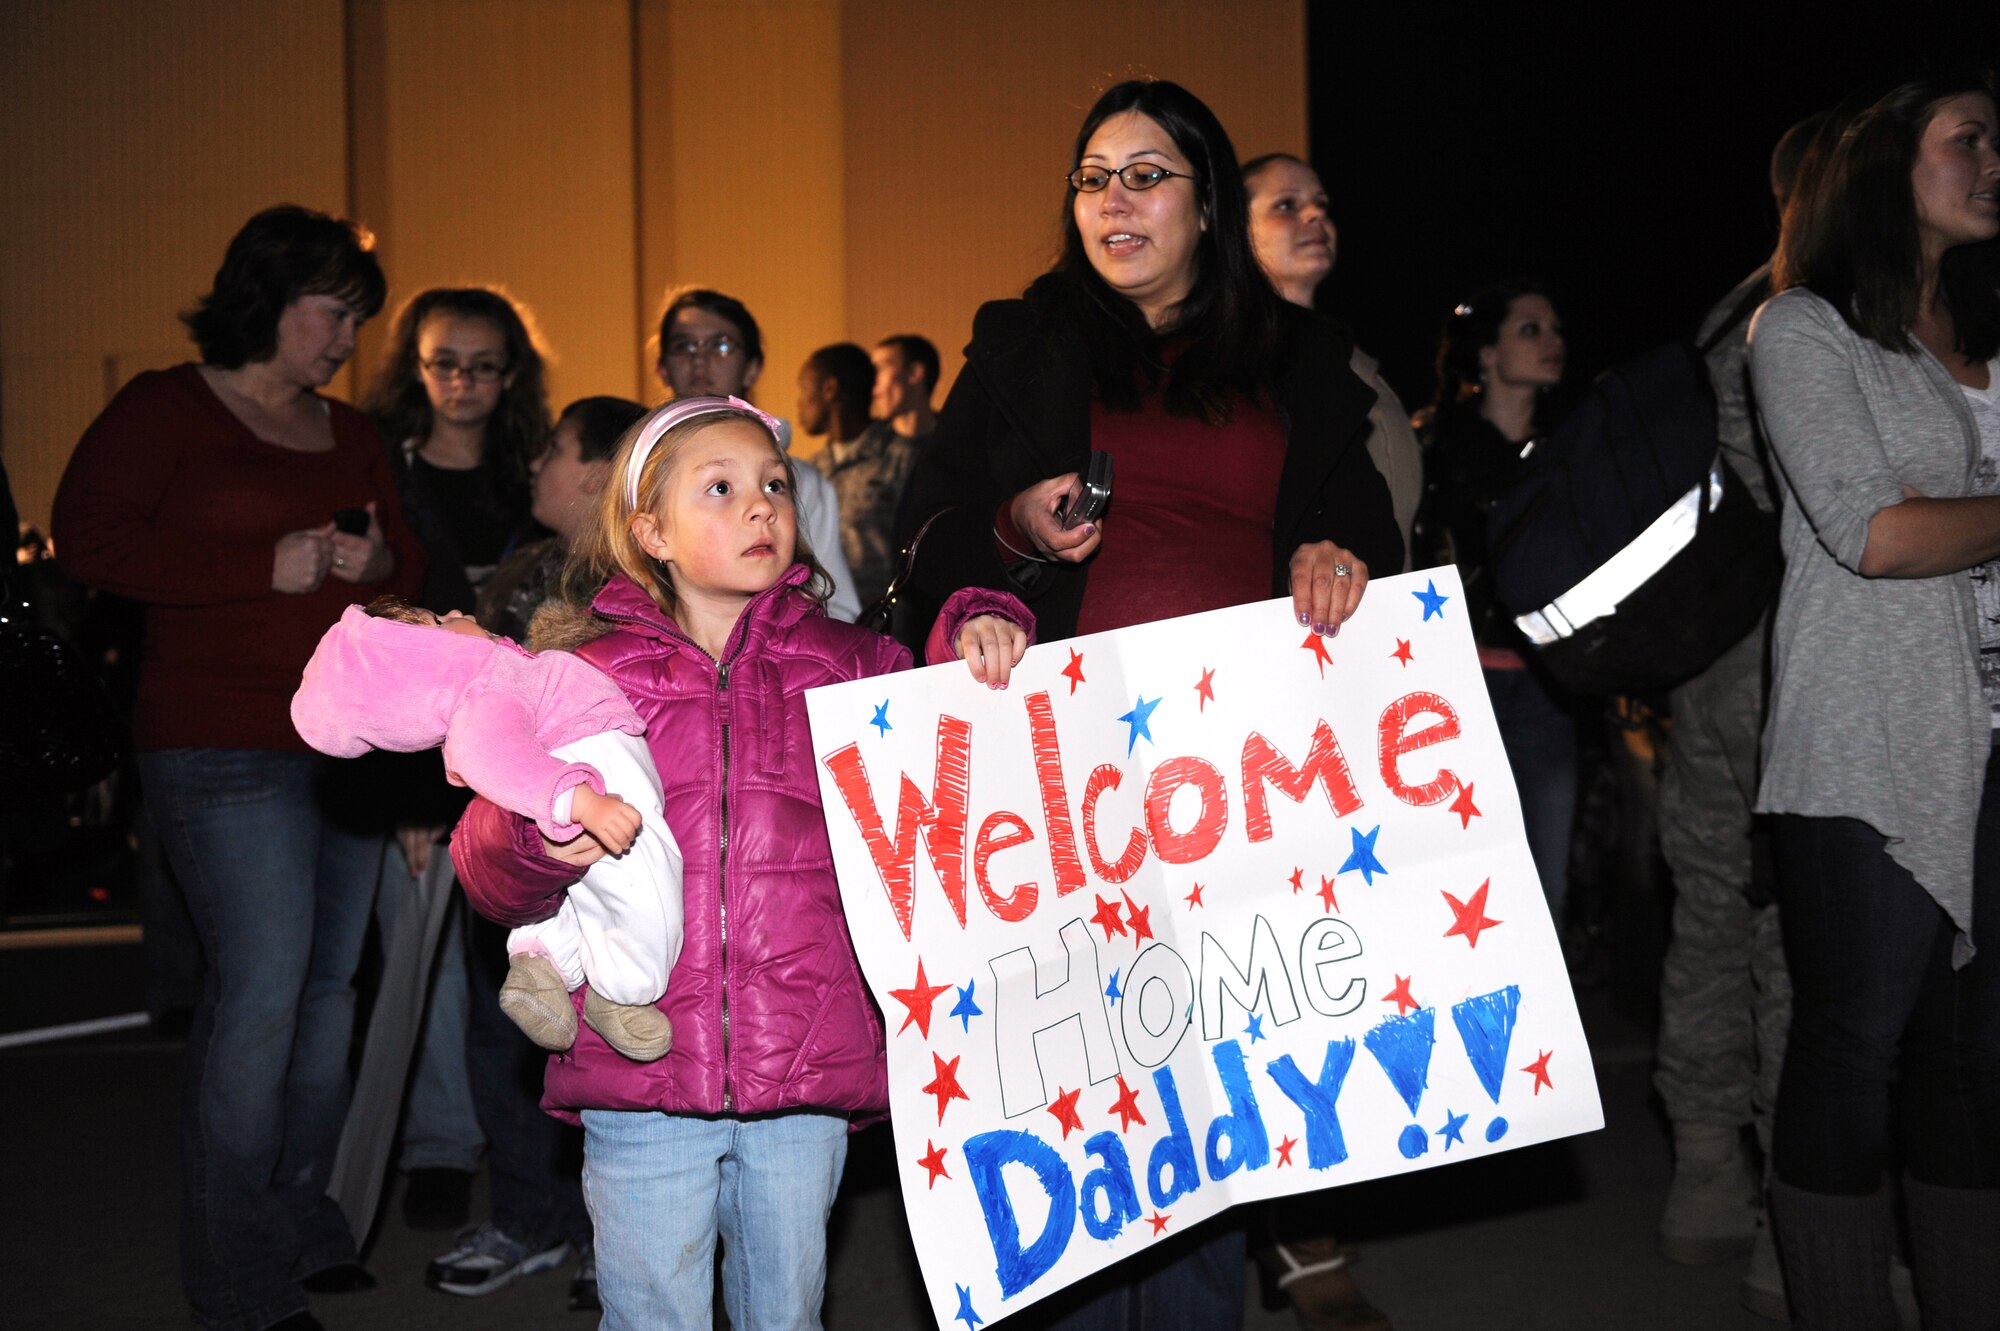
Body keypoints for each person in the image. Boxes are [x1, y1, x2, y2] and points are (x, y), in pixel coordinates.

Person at [901, 78, 1399, 1330]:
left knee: (1201, 1107)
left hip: (1243, 776)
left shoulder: (1297, 358)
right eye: (1090, 176)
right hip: (1059, 780)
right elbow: (924, 525)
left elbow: (1360, 517)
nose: (1110, 199)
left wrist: (1334, 549)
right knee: (1076, 1104)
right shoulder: (1019, 340)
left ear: (1205, 200)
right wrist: (1011, 529)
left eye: (1143, 173)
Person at [448, 395, 1028, 1327]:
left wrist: (978, 622)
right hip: (642, 1067)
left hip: (803, 1068)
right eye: (720, 488)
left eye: (774, 485)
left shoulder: (854, 668)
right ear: (652, 532)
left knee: (786, 1312)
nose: (760, 506)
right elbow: (484, 863)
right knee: (649, 1314)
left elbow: (956, 745)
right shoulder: (579, 679)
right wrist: (535, 834)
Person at [51, 203, 422, 1331]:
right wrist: (254, 563)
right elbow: (89, 540)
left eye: (359, 317)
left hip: (345, 740)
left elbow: (403, 559)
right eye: (332, 311)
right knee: (262, 994)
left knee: (324, 997)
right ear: (267, 296)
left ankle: (298, 1217)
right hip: (218, 742)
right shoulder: (165, 407)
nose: (347, 336)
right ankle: (238, 1271)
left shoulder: (350, 429)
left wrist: (373, 559)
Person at [1748, 67, 2000, 1328]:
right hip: (1866, 737)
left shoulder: (1966, 330)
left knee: (1965, 1063)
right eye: (1969, 140)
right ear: (1888, 163)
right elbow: (1872, 533)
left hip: (1984, 732)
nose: (1994, 161)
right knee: (1854, 1043)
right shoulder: (1804, 329)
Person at [1651, 114, 1823, 1322]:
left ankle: (1706, 1174)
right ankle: (1791, 1218)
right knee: (1793, 937)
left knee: (1710, 913)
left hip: (1705, 665)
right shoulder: (1814, 319)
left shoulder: (1726, 312)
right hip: (1788, 668)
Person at [360, 286, 553, 1232]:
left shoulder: (536, 473)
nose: (464, 382)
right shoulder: (382, 471)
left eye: (483, 365)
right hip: (415, 738)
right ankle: (438, 1140)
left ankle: (538, 1156)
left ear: (509, 375)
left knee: (527, 950)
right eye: (445, 362)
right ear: (416, 367)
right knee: (419, 947)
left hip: (526, 735)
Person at [291, 598, 682, 1062]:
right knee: (645, 884)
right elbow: (499, 762)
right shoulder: (481, 694)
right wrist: (580, 802)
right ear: (422, 667)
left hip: (593, 776)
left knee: (589, 892)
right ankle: (623, 993)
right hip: (595, 790)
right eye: (441, 621)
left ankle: (543, 961)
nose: (462, 613)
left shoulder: (496, 675)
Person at [1416, 281, 1579, 932]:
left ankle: (1551, 1035)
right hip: (1452, 691)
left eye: (1556, 328)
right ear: (1485, 353)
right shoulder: (1432, 448)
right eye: (1531, 329)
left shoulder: (1571, 455)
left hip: (1547, 687)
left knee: (1545, 891)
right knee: (1455, 891)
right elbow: (1370, 551)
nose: (1553, 341)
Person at [1246, 152, 1422, 568]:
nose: (1314, 214)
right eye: (1287, 205)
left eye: (1321, 204)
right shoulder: (1237, 365)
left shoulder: (1360, 366)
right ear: (1234, 229)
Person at [653, 286, 861, 621]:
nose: (700, 359)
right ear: (662, 368)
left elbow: (836, 607)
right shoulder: (640, 479)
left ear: (752, 367)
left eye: (721, 345)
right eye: (684, 346)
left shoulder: (804, 482)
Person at [806, 339, 923, 607]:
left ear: (830, 389)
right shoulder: (811, 470)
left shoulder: (902, 458)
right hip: (824, 623)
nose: (801, 403)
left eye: (805, 390)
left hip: (887, 624)